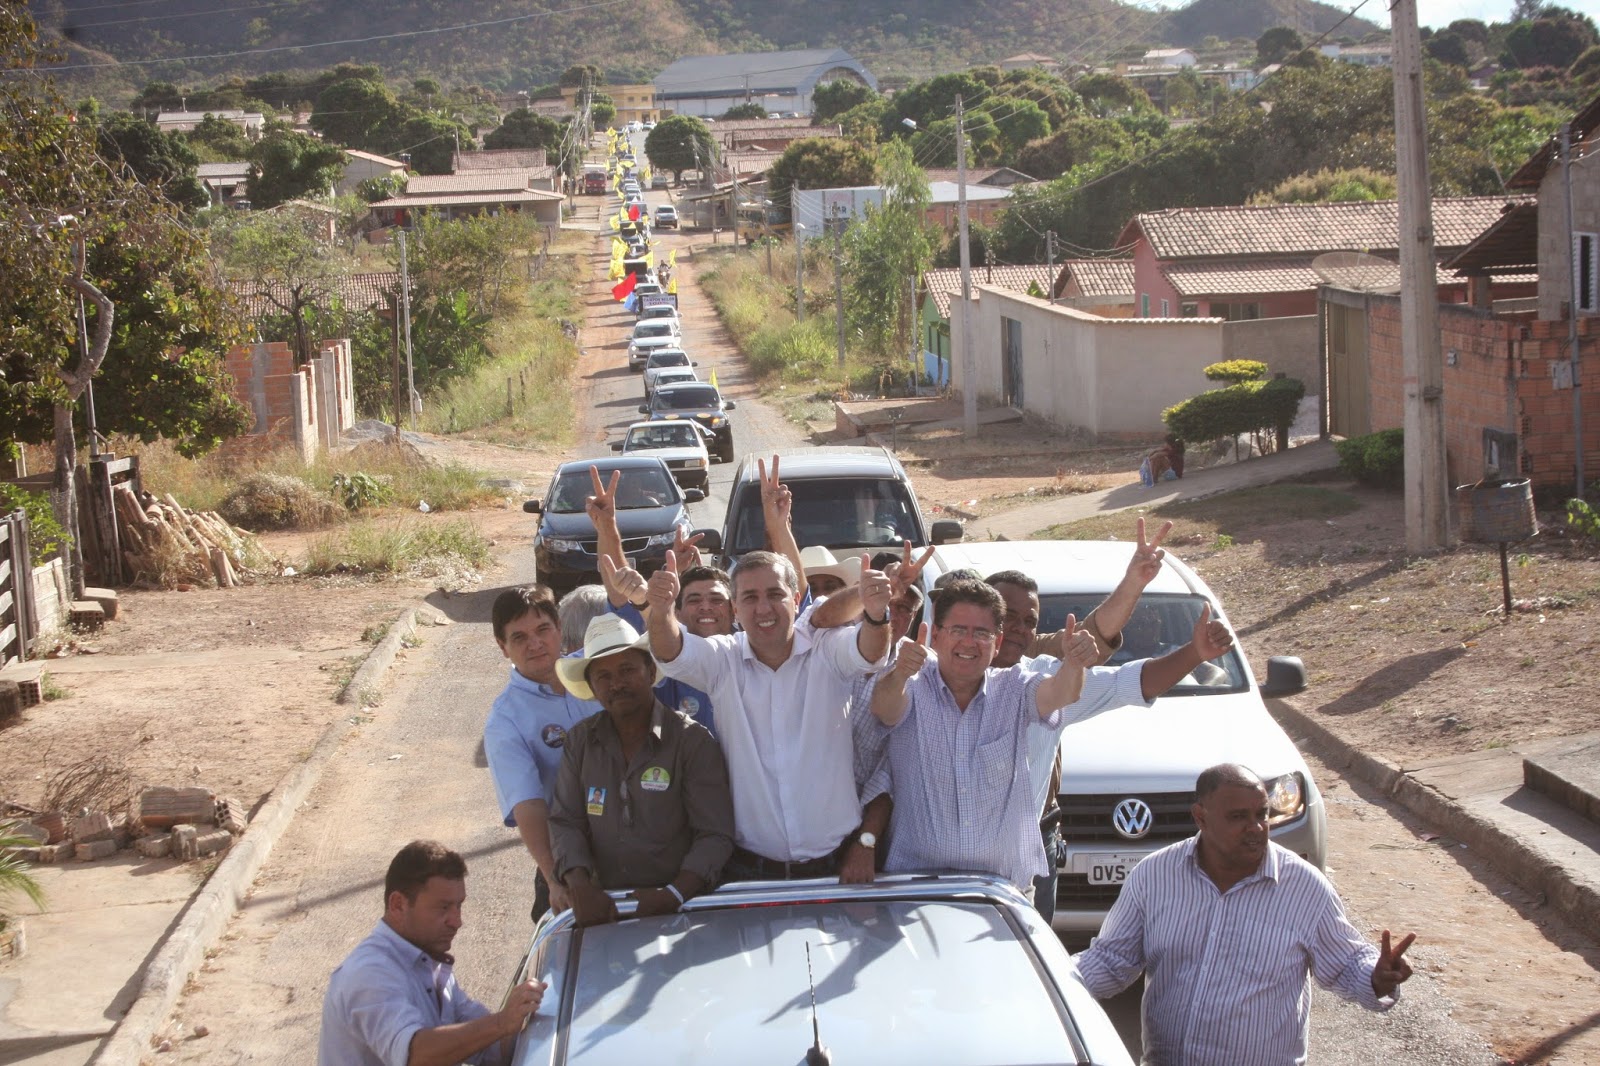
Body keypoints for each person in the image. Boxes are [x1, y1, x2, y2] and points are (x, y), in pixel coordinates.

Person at [860, 578, 1235, 893]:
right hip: (917, 886)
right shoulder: (911, 674)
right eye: (958, 630)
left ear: (996, 639)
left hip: (1002, 893)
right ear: (937, 636)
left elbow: (1063, 693)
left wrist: (1075, 664)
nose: (969, 643)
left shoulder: (1018, 685)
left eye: (982, 633)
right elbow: (886, 709)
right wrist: (898, 675)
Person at [1071, 764, 1416, 1066]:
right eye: (1238, 817)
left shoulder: (1304, 888)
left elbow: (1345, 963)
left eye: (1262, 814)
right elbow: (1112, 959)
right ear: (1200, 817)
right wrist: (1049, 982)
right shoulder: (1154, 876)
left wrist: (1377, 976)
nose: (1256, 827)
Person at [647, 548, 894, 880]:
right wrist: (661, 611)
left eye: (774, 594)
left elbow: (870, 652)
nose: (763, 608)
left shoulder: (827, 649)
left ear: (795, 600)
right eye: (749, 597)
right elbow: (670, 652)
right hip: (751, 871)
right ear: (735, 609)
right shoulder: (723, 660)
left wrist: (877, 615)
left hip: (838, 864)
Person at [987, 518, 1175, 919]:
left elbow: (1096, 636)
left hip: (1036, 836)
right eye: (1006, 617)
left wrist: (1133, 581)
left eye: (1029, 620)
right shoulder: (942, 669)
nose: (1017, 629)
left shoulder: (1037, 662)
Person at [548, 616, 733, 926]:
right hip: (602, 910)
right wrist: (579, 886)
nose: (617, 684)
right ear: (592, 688)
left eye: (627, 670)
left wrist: (674, 893)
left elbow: (715, 834)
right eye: (603, 676)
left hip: (683, 910)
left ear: (650, 671)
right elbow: (566, 821)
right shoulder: (580, 741)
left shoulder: (691, 741)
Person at [317, 841, 545, 1066]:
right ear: (398, 904)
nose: (457, 921)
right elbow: (413, 1056)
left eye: (459, 906)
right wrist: (501, 1023)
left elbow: (492, 1049)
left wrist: (533, 1015)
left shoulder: (428, 961)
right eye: (443, 907)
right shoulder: (369, 974)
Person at [482, 586, 600, 923]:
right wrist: (555, 878)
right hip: (571, 862)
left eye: (542, 630)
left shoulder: (596, 670)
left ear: (559, 629)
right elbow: (528, 805)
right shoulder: (506, 721)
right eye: (518, 637)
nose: (534, 644)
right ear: (502, 648)